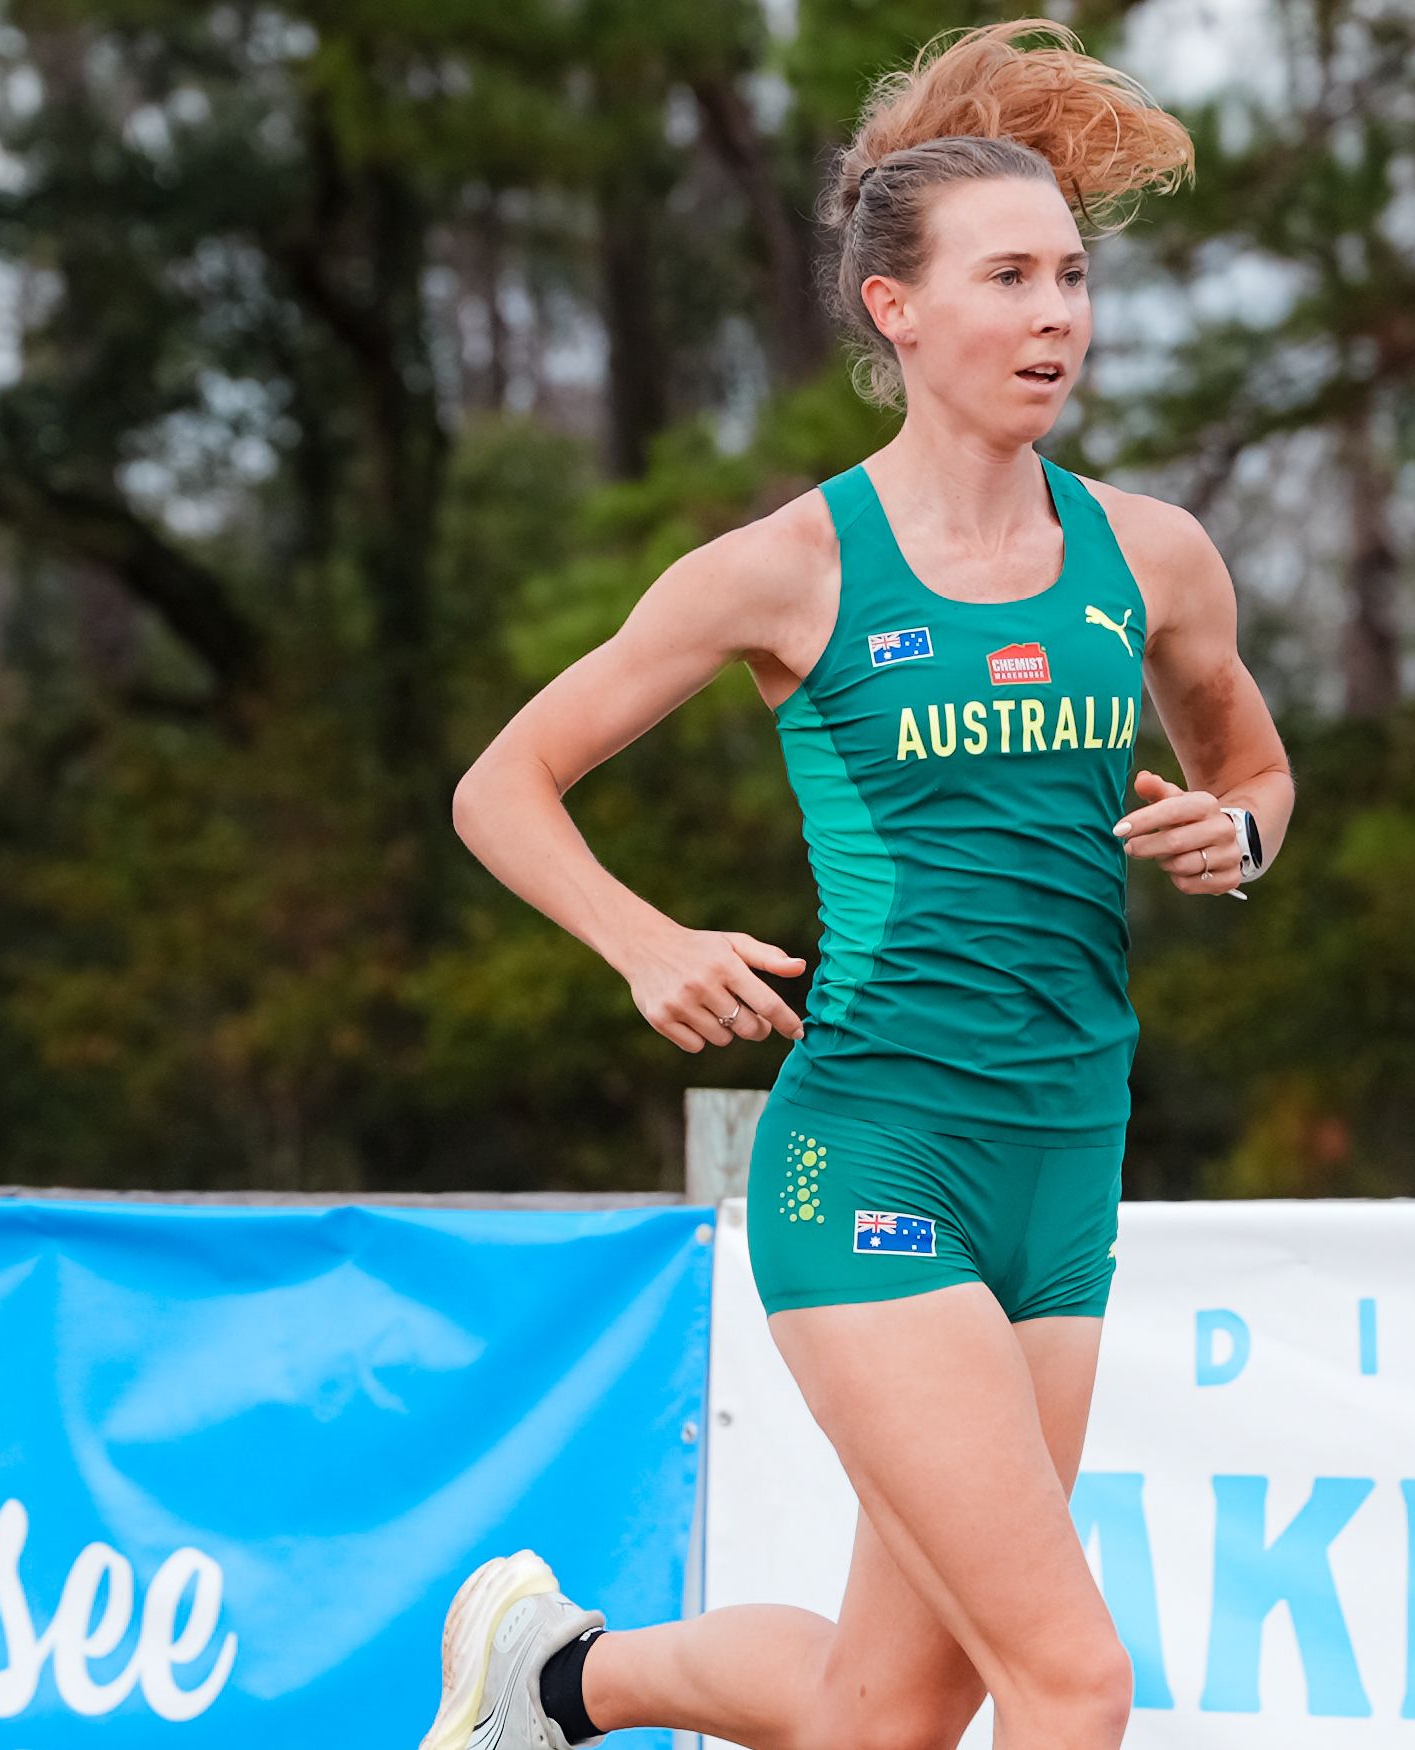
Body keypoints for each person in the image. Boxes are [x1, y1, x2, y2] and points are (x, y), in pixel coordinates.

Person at [422, 19, 1293, 1750]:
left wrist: (1243, 828)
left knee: (878, 1716)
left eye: (1069, 276)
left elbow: (1251, 767)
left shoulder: (1152, 555)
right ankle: (551, 1674)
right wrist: (641, 938)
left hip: (1065, 1154)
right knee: (1073, 1680)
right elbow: (498, 784)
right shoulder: (790, 567)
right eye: (1009, 279)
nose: (1059, 316)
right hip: (872, 1150)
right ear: (897, 311)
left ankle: (555, 1674)